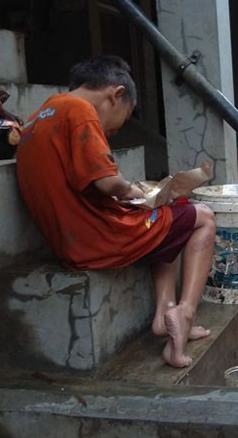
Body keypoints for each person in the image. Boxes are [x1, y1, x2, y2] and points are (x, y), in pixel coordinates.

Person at [16, 55, 215, 368]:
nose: (116, 129)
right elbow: (108, 182)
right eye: (127, 114)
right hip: (97, 238)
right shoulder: (80, 110)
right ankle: (186, 312)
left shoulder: (39, 116)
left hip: (71, 240)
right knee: (203, 217)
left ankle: (165, 311)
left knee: (171, 213)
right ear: (116, 94)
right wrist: (133, 191)